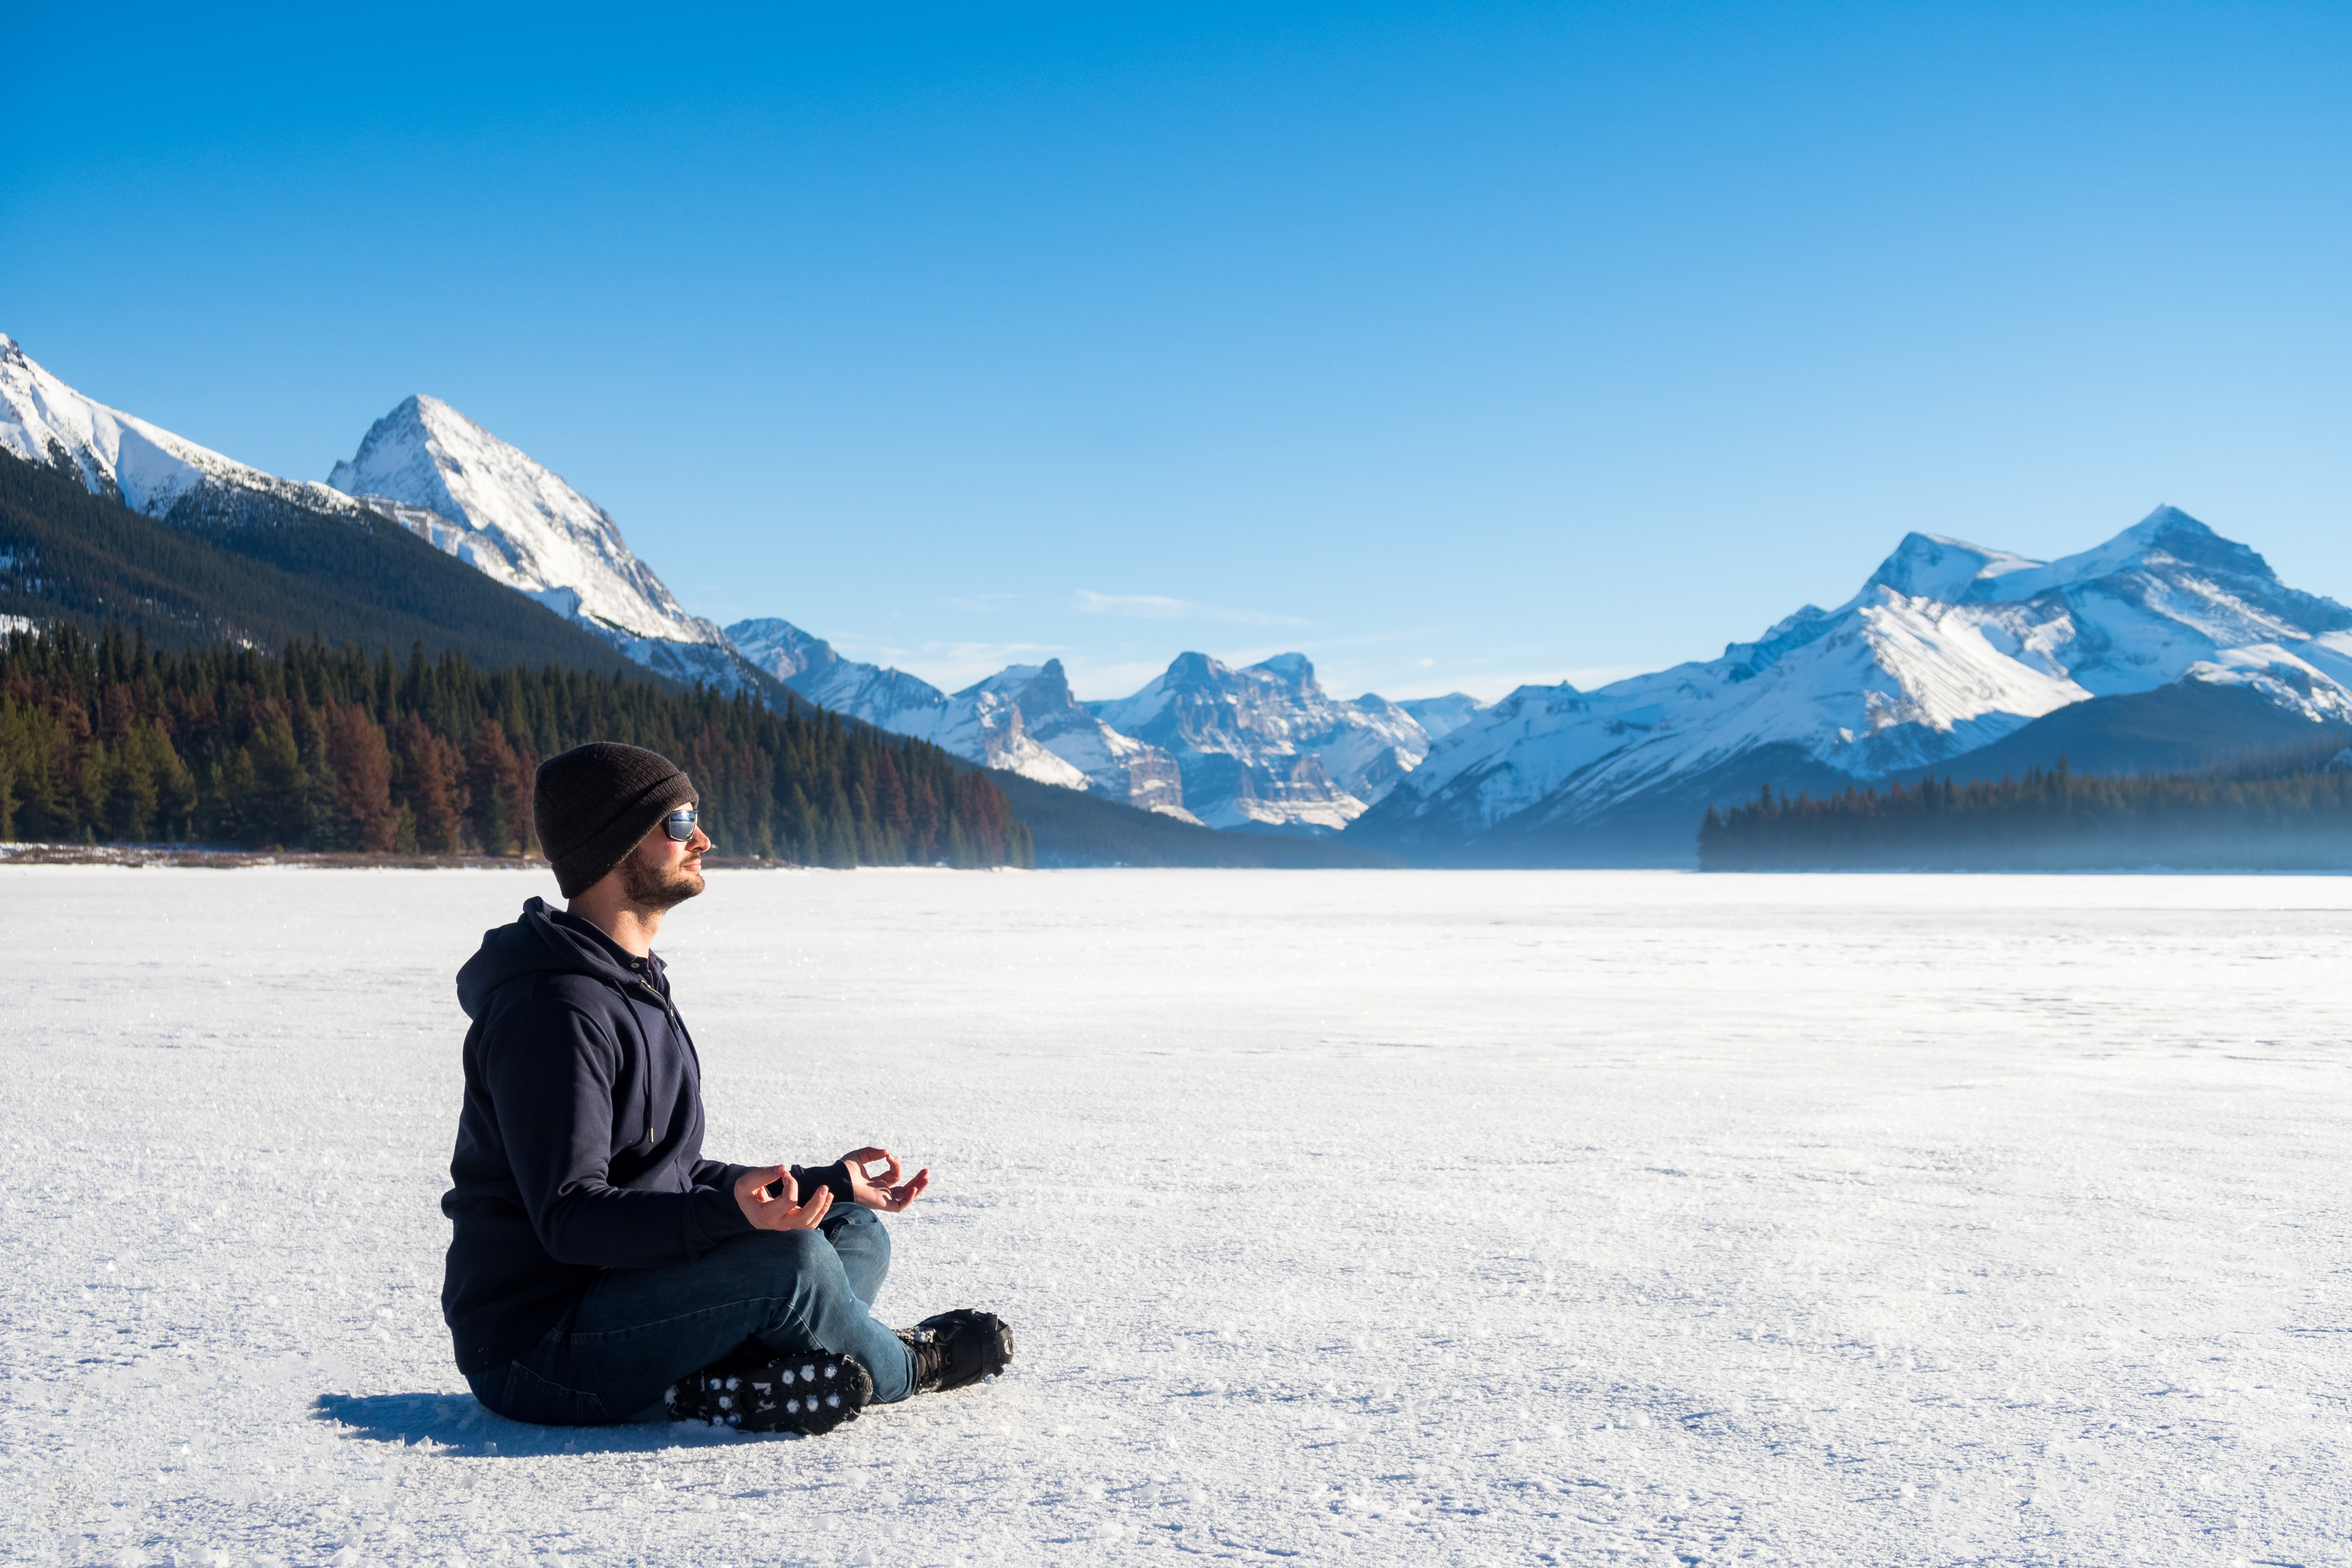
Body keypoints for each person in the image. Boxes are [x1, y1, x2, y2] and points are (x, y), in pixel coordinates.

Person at [441, 741, 1011, 1433]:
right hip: (540, 1349)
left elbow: (667, 1171)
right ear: (615, 842)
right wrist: (730, 1217)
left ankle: (726, 1383)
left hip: (628, 1290)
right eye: (679, 824)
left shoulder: (632, 985)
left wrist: (817, 1181)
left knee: (847, 1226)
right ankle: (907, 1366)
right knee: (795, 1264)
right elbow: (570, 1216)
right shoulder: (554, 1011)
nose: (702, 839)